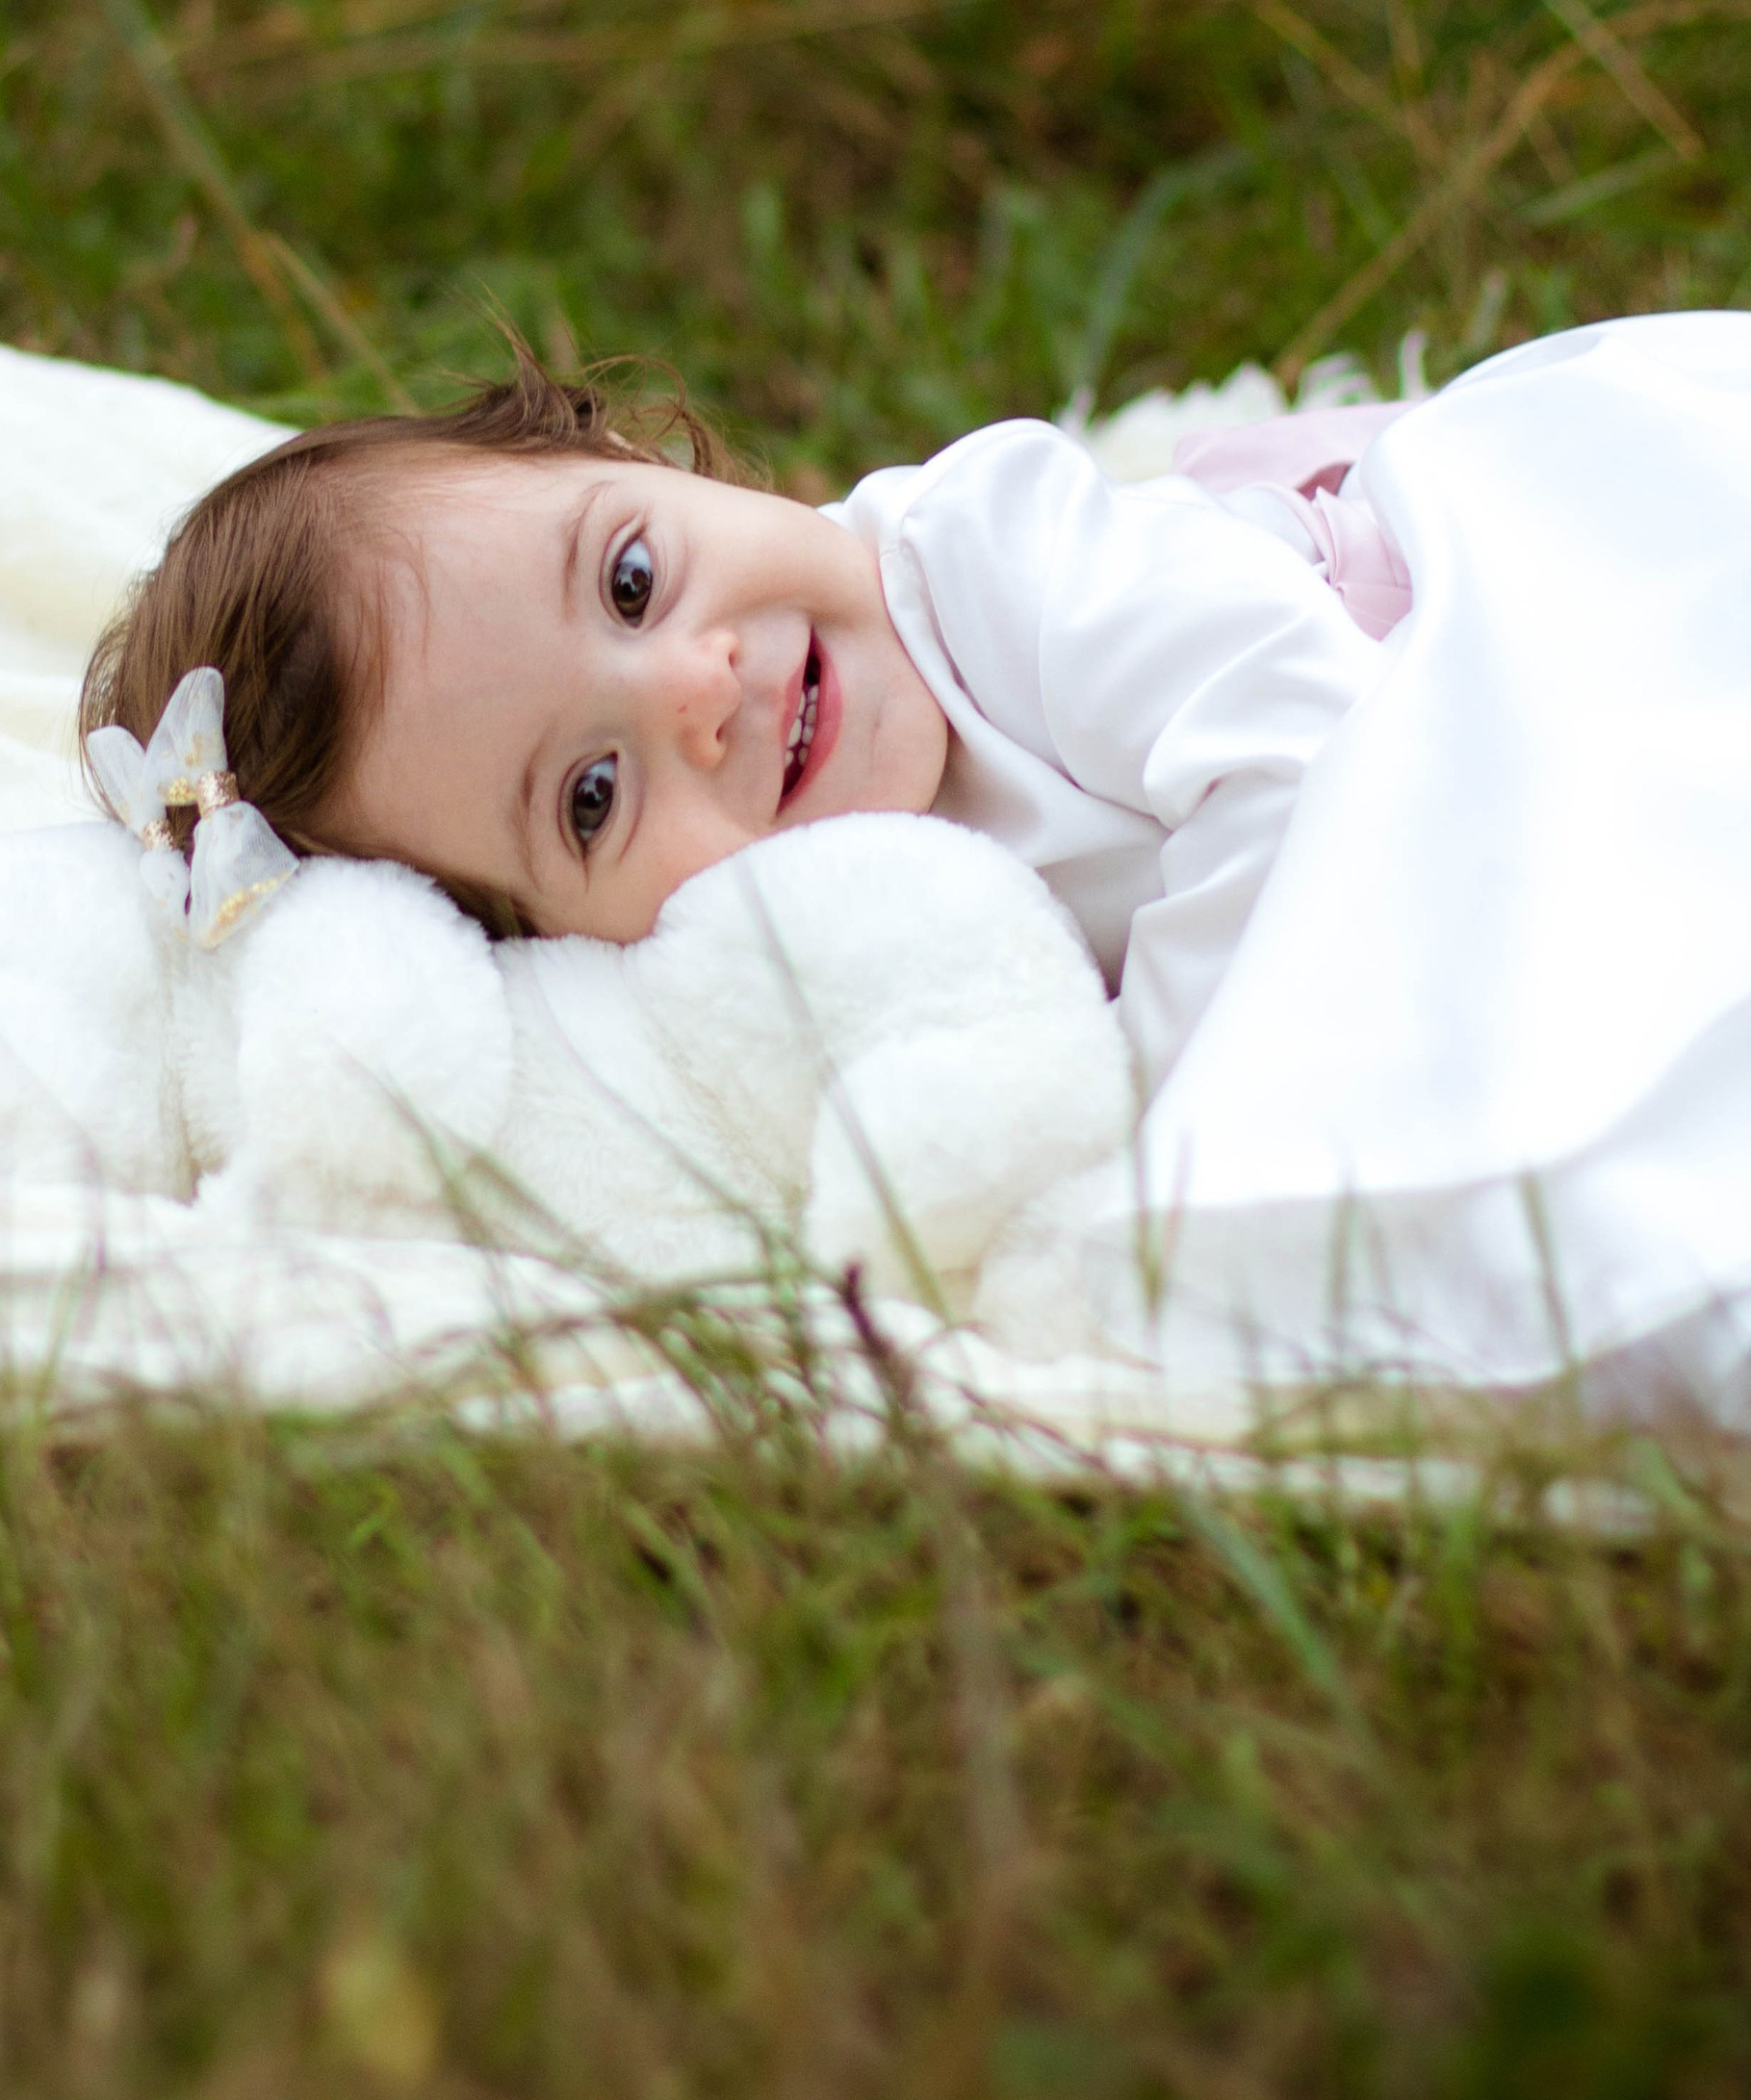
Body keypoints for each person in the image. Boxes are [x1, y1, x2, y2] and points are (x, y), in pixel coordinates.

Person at [86, 312, 1751, 1402]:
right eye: (590, 796)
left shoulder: (986, 551)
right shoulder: (791, 944)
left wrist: (1175, 1137)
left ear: (643, 458)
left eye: (635, 579)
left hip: (1511, 617)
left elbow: (1294, 746)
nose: (699, 690)